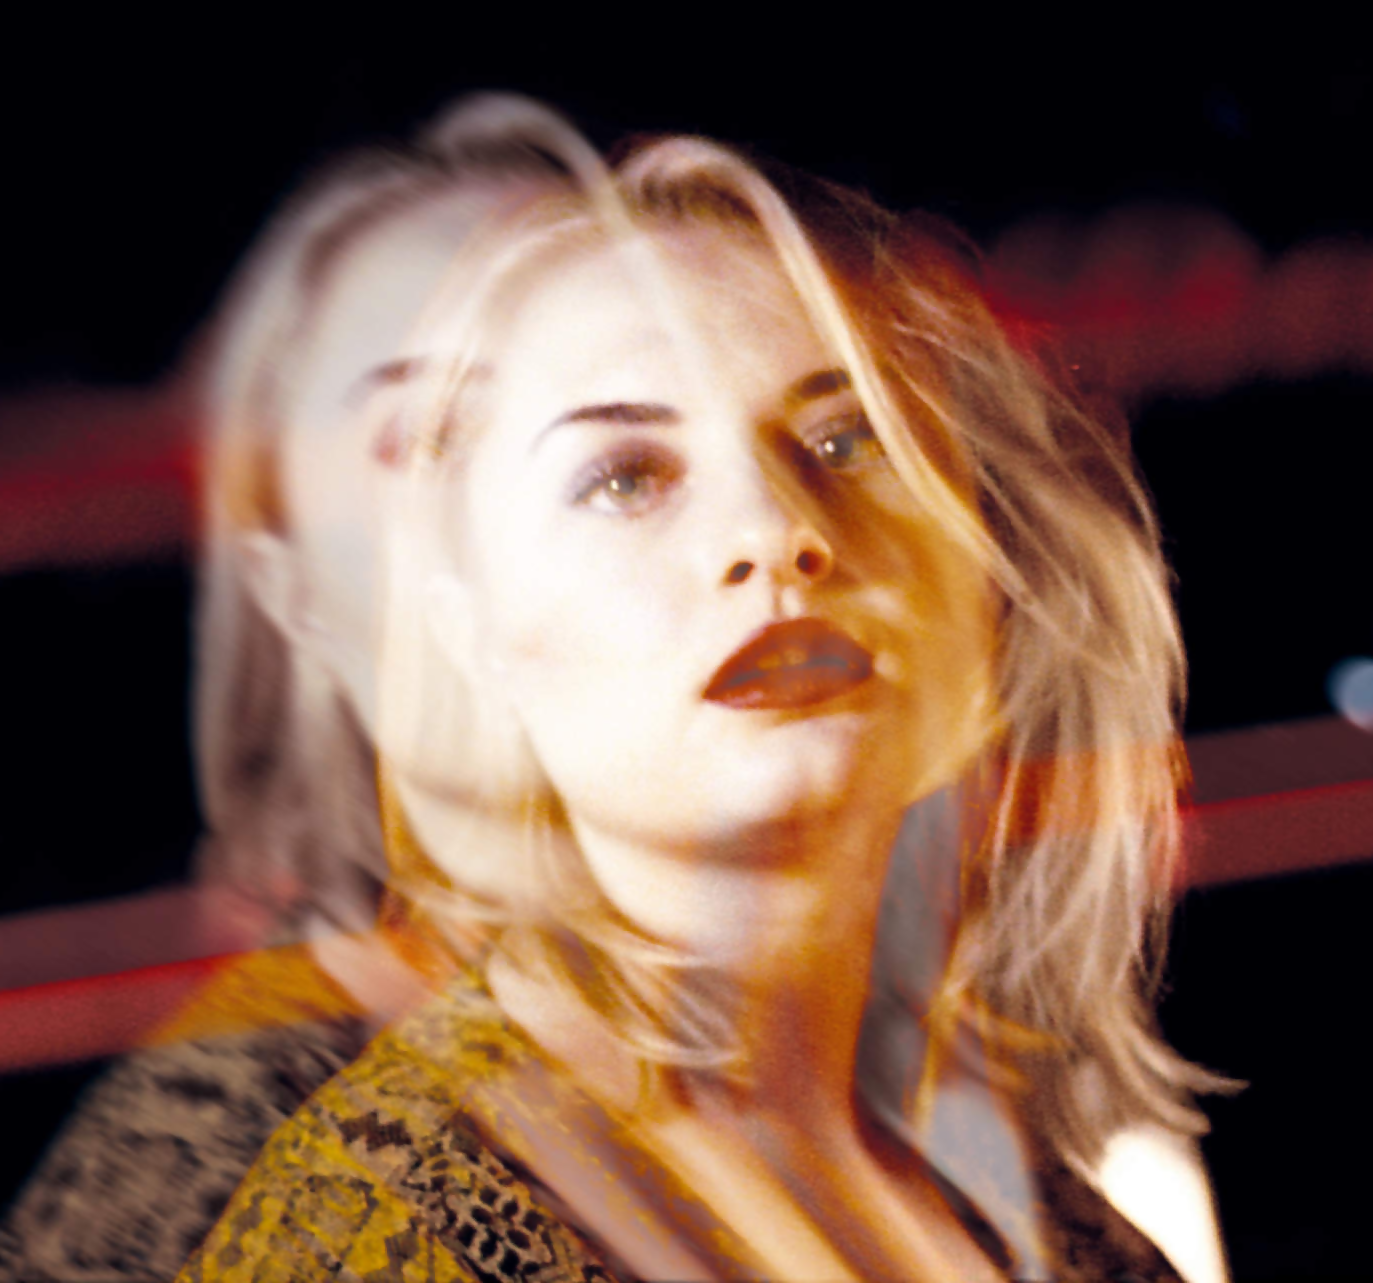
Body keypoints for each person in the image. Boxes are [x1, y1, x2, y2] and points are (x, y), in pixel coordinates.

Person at [177, 123, 1232, 1282]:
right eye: (624, 477)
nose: (773, 531)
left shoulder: (1063, 1227)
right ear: (464, 630)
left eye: (846, 437)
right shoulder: (375, 1224)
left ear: (986, 574)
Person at [0, 96, 582, 1282]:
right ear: (288, 583)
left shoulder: (876, 1033)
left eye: (616, 430)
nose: (553, 494)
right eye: (432, 434)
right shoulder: (231, 1178)